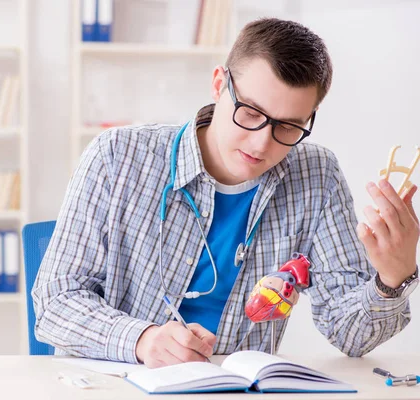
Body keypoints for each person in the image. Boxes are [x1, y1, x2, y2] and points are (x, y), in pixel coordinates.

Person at [32, 17, 419, 368]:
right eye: (250, 112)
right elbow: (54, 304)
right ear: (220, 84)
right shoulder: (118, 155)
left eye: (288, 127)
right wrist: (142, 340)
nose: (261, 143)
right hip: (117, 383)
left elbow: (349, 334)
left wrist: (392, 278)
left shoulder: (317, 174)